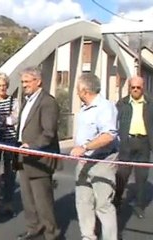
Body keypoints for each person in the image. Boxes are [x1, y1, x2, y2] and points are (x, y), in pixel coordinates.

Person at [70, 73, 118, 240]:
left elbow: (108, 135)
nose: (76, 92)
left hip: (102, 161)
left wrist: (84, 147)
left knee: (103, 204)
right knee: (83, 201)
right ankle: (88, 236)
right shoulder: (84, 109)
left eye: (77, 89)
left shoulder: (105, 107)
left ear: (84, 90)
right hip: (84, 161)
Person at [16, 67, 60, 240]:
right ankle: (33, 228)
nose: (24, 85)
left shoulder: (47, 102)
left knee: (43, 201)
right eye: (22, 82)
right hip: (24, 157)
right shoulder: (27, 101)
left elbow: (49, 132)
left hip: (40, 159)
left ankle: (51, 234)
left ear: (38, 81)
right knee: (28, 199)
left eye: (27, 81)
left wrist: (32, 146)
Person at [114, 76, 153, 220]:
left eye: (138, 87)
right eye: (133, 87)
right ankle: (116, 202)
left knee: (141, 178)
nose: (135, 90)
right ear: (129, 88)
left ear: (143, 88)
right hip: (127, 143)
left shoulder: (150, 104)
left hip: (144, 144)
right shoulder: (122, 103)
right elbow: (113, 121)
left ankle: (139, 206)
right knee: (121, 176)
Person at [0, 72, 18, 216]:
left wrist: (0, 120)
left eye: (4, 86)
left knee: (10, 173)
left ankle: (8, 203)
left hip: (10, 140)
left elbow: (14, 119)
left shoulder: (13, 101)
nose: (2, 88)